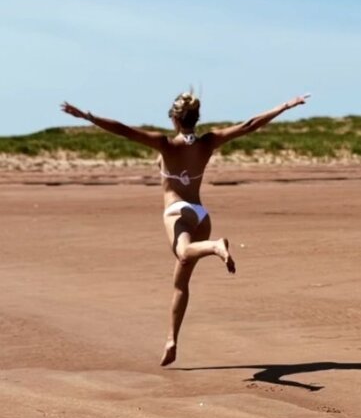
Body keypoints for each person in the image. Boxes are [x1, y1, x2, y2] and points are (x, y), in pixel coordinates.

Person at [60, 90, 310, 365]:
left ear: (174, 119)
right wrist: (284, 106)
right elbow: (249, 125)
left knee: (183, 252)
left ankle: (216, 246)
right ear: (195, 118)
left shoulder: (165, 144)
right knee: (180, 283)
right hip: (201, 216)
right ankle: (172, 341)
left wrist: (88, 116)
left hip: (177, 211)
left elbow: (124, 130)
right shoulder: (208, 142)